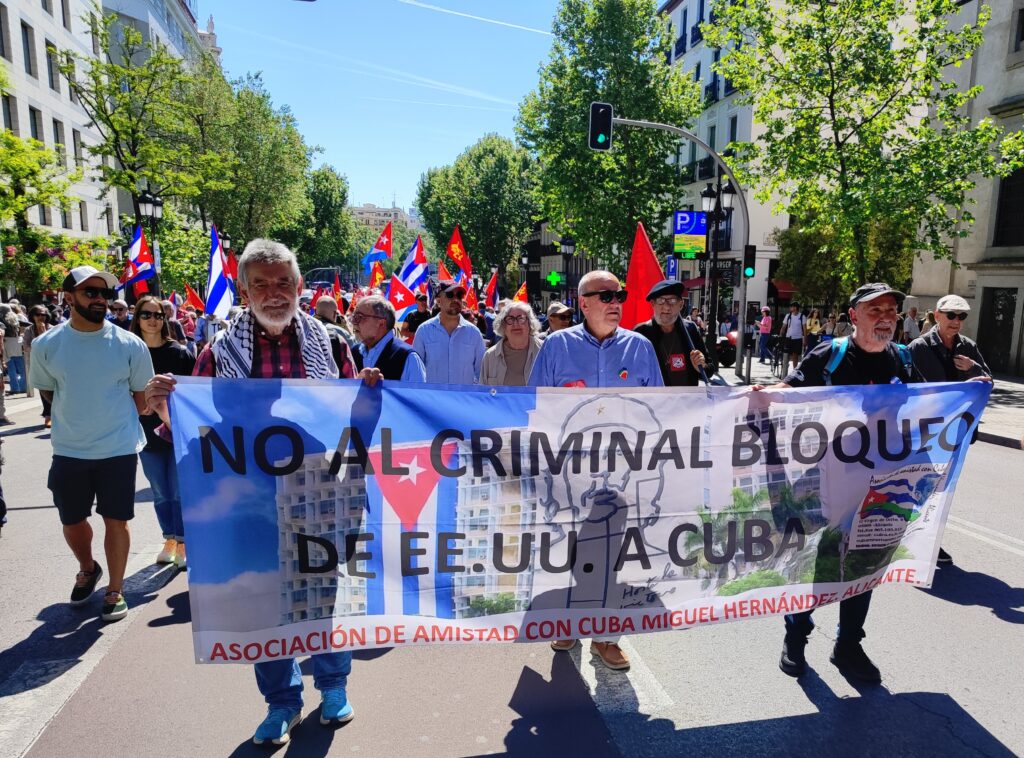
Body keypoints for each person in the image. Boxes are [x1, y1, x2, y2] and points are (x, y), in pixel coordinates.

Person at [146, 240, 360, 746]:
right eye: (261, 284)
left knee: (323, 594)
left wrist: (372, 391)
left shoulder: (333, 345)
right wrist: (165, 409)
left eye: (283, 281)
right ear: (244, 291)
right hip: (247, 498)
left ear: (300, 286)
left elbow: (357, 418)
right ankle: (281, 701)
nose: (274, 292)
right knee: (262, 598)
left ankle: (333, 686)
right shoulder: (218, 353)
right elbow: (193, 432)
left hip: (318, 491)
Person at [759, 283, 923, 684]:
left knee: (866, 563)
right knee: (819, 563)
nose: (885, 317)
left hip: (878, 482)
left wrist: (972, 389)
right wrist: (766, 395)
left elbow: (931, 400)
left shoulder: (902, 358)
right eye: (875, 310)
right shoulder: (829, 355)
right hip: (825, 480)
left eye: (891, 310)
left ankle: (848, 645)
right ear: (853, 316)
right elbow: (789, 391)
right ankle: (796, 635)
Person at [528, 270, 663, 672]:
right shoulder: (557, 346)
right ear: (583, 303)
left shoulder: (640, 347)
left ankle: (606, 636)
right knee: (568, 549)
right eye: (605, 296)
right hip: (569, 473)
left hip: (623, 472)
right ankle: (568, 623)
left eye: (619, 295)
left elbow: (662, 407)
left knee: (614, 554)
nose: (615, 302)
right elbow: (535, 403)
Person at [28, 266, 155, 623]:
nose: (101, 299)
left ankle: (115, 589)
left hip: (118, 448)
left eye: (105, 293)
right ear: (68, 298)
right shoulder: (46, 345)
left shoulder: (130, 344)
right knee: (72, 520)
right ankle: (88, 567)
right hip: (69, 449)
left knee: (117, 519)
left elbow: (141, 399)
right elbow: (48, 392)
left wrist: (113, 420)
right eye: (91, 293)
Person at [908, 294, 992, 566]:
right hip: (925, 431)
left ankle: (927, 539)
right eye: (951, 315)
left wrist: (973, 368)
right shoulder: (918, 347)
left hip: (956, 433)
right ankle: (916, 538)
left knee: (942, 487)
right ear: (937, 315)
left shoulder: (968, 346)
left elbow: (988, 381)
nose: (956, 321)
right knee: (923, 485)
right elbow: (906, 388)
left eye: (961, 316)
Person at [131, 295, 195, 568]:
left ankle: (183, 542)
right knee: (160, 492)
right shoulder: (130, 352)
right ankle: (169, 538)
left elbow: (195, 391)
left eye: (158, 315)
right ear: (137, 318)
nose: (152, 320)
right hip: (145, 433)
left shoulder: (180, 353)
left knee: (181, 491)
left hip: (178, 431)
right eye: (146, 314)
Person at [632, 279, 708, 386]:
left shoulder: (690, 329)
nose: (667, 307)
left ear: (681, 304)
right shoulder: (641, 332)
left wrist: (701, 366)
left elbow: (709, 370)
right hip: (654, 395)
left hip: (687, 396)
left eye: (672, 301)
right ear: (653, 304)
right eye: (661, 300)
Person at [412, 281, 485, 384]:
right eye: (450, 295)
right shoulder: (424, 331)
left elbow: (481, 373)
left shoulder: (474, 333)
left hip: (463, 394)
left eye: (459, 295)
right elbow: (416, 371)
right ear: (438, 300)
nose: (455, 299)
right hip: (433, 394)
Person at [350, 295, 426, 382]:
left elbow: (417, 391)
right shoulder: (352, 353)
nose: (353, 322)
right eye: (353, 317)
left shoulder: (408, 358)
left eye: (359, 317)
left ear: (381, 323)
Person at [481, 301, 542, 386]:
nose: (516, 324)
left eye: (521, 318)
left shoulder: (545, 352)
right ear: (503, 326)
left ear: (530, 323)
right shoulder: (490, 356)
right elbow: (482, 392)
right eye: (510, 319)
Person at [313, 295, 360, 372]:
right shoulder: (340, 332)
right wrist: (348, 329)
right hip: (335, 376)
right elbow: (355, 351)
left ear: (315, 311)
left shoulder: (305, 328)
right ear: (335, 313)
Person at [23, 305, 53, 427]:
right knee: (43, 388)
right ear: (33, 316)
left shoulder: (53, 329)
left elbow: (53, 346)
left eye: (44, 315)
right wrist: (38, 342)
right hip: (37, 364)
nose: (41, 317)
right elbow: (26, 347)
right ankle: (48, 415)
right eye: (38, 314)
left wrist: (44, 335)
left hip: (51, 363)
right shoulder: (29, 330)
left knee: (54, 388)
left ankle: (54, 413)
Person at [3, 310, 26, 394]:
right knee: (22, 370)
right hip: (17, 345)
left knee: (11, 370)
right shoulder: (18, 322)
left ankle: (15, 388)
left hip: (7, 346)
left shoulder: (3, 323)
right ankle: (23, 387)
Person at [779, 303, 805, 372]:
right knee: (786, 354)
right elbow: (784, 326)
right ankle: (785, 369)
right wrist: (780, 335)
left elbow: (804, 329)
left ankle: (794, 371)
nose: (790, 308)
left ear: (795, 308)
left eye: (791, 307)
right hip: (789, 337)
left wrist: (805, 339)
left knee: (795, 355)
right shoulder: (788, 316)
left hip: (798, 338)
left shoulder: (802, 316)